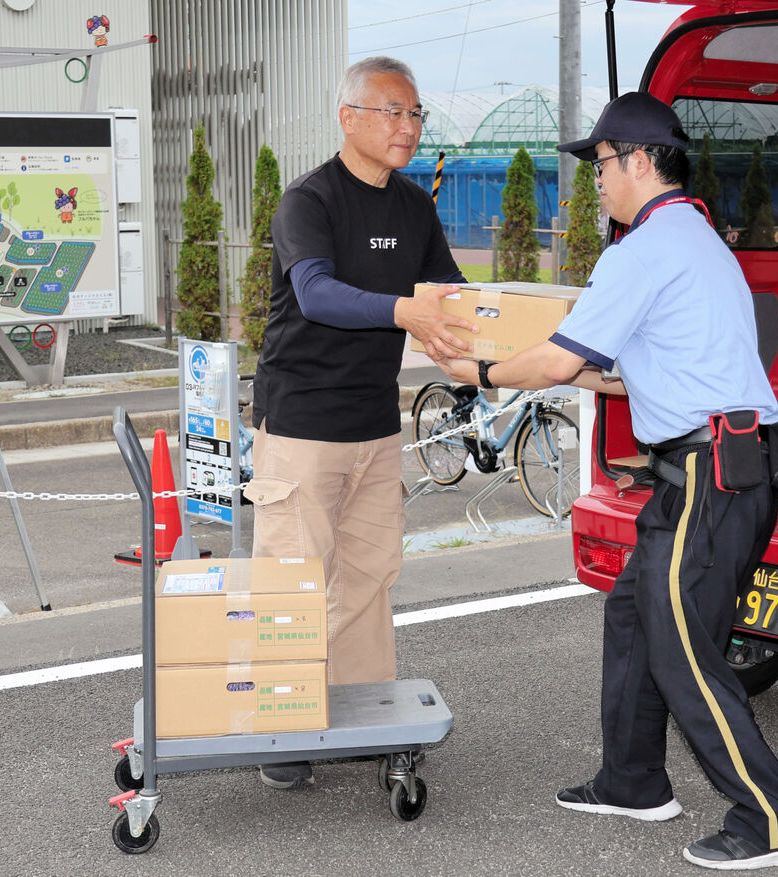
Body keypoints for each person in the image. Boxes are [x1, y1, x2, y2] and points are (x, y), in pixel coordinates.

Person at [435, 92, 778, 871]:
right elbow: (646, 372)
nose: (597, 181)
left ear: (641, 162)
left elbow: (558, 361)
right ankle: (635, 778)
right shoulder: (696, 238)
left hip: (712, 473)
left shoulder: (642, 250)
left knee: (683, 652)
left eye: (603, 165)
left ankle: (776, 821)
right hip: (716, 469)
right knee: (634, 615)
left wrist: (476, 369)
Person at [248, 56, 475, 790]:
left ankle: (366, 716)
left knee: (369, 578)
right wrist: (404, 311)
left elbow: (455, 296)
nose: (407, 126)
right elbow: (317, 296)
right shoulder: (308, 201)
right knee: (293, 581)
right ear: (349, 117)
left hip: (376, 429)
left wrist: (508, 345)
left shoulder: (414, 207)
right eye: (393, 111)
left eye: (416, 115)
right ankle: (284, 727)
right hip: (302, 426)